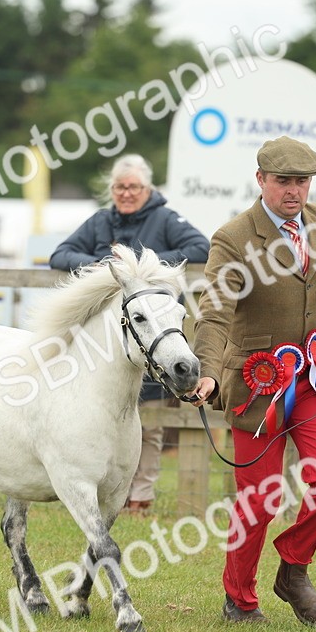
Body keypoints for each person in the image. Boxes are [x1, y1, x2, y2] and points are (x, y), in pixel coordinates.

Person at [190, 137, 316, 626]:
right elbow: (213, 314)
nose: (294, 191)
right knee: (260, 500)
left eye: (302, 181)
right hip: (257, 386)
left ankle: (293, 570)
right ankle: (240, 599)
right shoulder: (233, 238)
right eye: (284, 181)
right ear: (261, 181)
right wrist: (208, 373)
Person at [50, 154, 209, 512]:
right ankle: (100, 489)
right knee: (100, 419)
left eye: (133, 187)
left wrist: (143, 266)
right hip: (102, 343)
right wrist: (106, 268)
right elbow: (60, 254)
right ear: (112, 190)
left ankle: (140, 496)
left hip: (152, 340)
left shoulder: (166, 219)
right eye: (120, 187)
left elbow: (201, 247)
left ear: (148, 189)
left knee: (149, 424)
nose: (126, 193)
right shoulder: (100, 221)